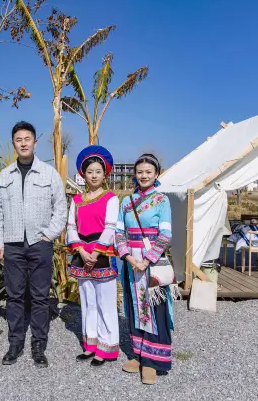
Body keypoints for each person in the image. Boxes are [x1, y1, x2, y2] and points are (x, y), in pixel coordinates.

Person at [0, 121, 67, 368]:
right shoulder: (4, 176)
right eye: (18, 140)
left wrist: (48, 235)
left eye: (27, 139)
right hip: (12, 244)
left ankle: (38, 344)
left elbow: (61, 208)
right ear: (14, 144)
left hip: (39, 243)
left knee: (39, 297)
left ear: (35, 142)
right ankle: (15, 343)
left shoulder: (49, 174)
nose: (23, 143)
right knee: (13, 296)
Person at [115, 153, 176, 385]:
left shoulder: (162, 200)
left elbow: (165, 234)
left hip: (152, 262)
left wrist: (146, 260)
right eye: (140, 172)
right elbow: (119, 233)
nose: (143, 175)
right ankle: (139, 355)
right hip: (131, 262)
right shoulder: (126, 201)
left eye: (148, 172)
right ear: (135, 174)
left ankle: (154, 361)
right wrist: (130, 258)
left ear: (156, 174)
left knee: (153, 309)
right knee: (134, 307)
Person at [66, 146, 120, 367]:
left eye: (98, 171)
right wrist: (80, 250)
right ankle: (91, 344)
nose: (94, 175)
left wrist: (95, 252)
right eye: (90, 172)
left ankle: (107, 347)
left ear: (104, 173)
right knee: (87, 301)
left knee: (104, 302)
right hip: (82, 252)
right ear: (83, 174)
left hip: (102, 253)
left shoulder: (111, 198)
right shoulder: (77, 200)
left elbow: (110, 227)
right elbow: (70, 227)